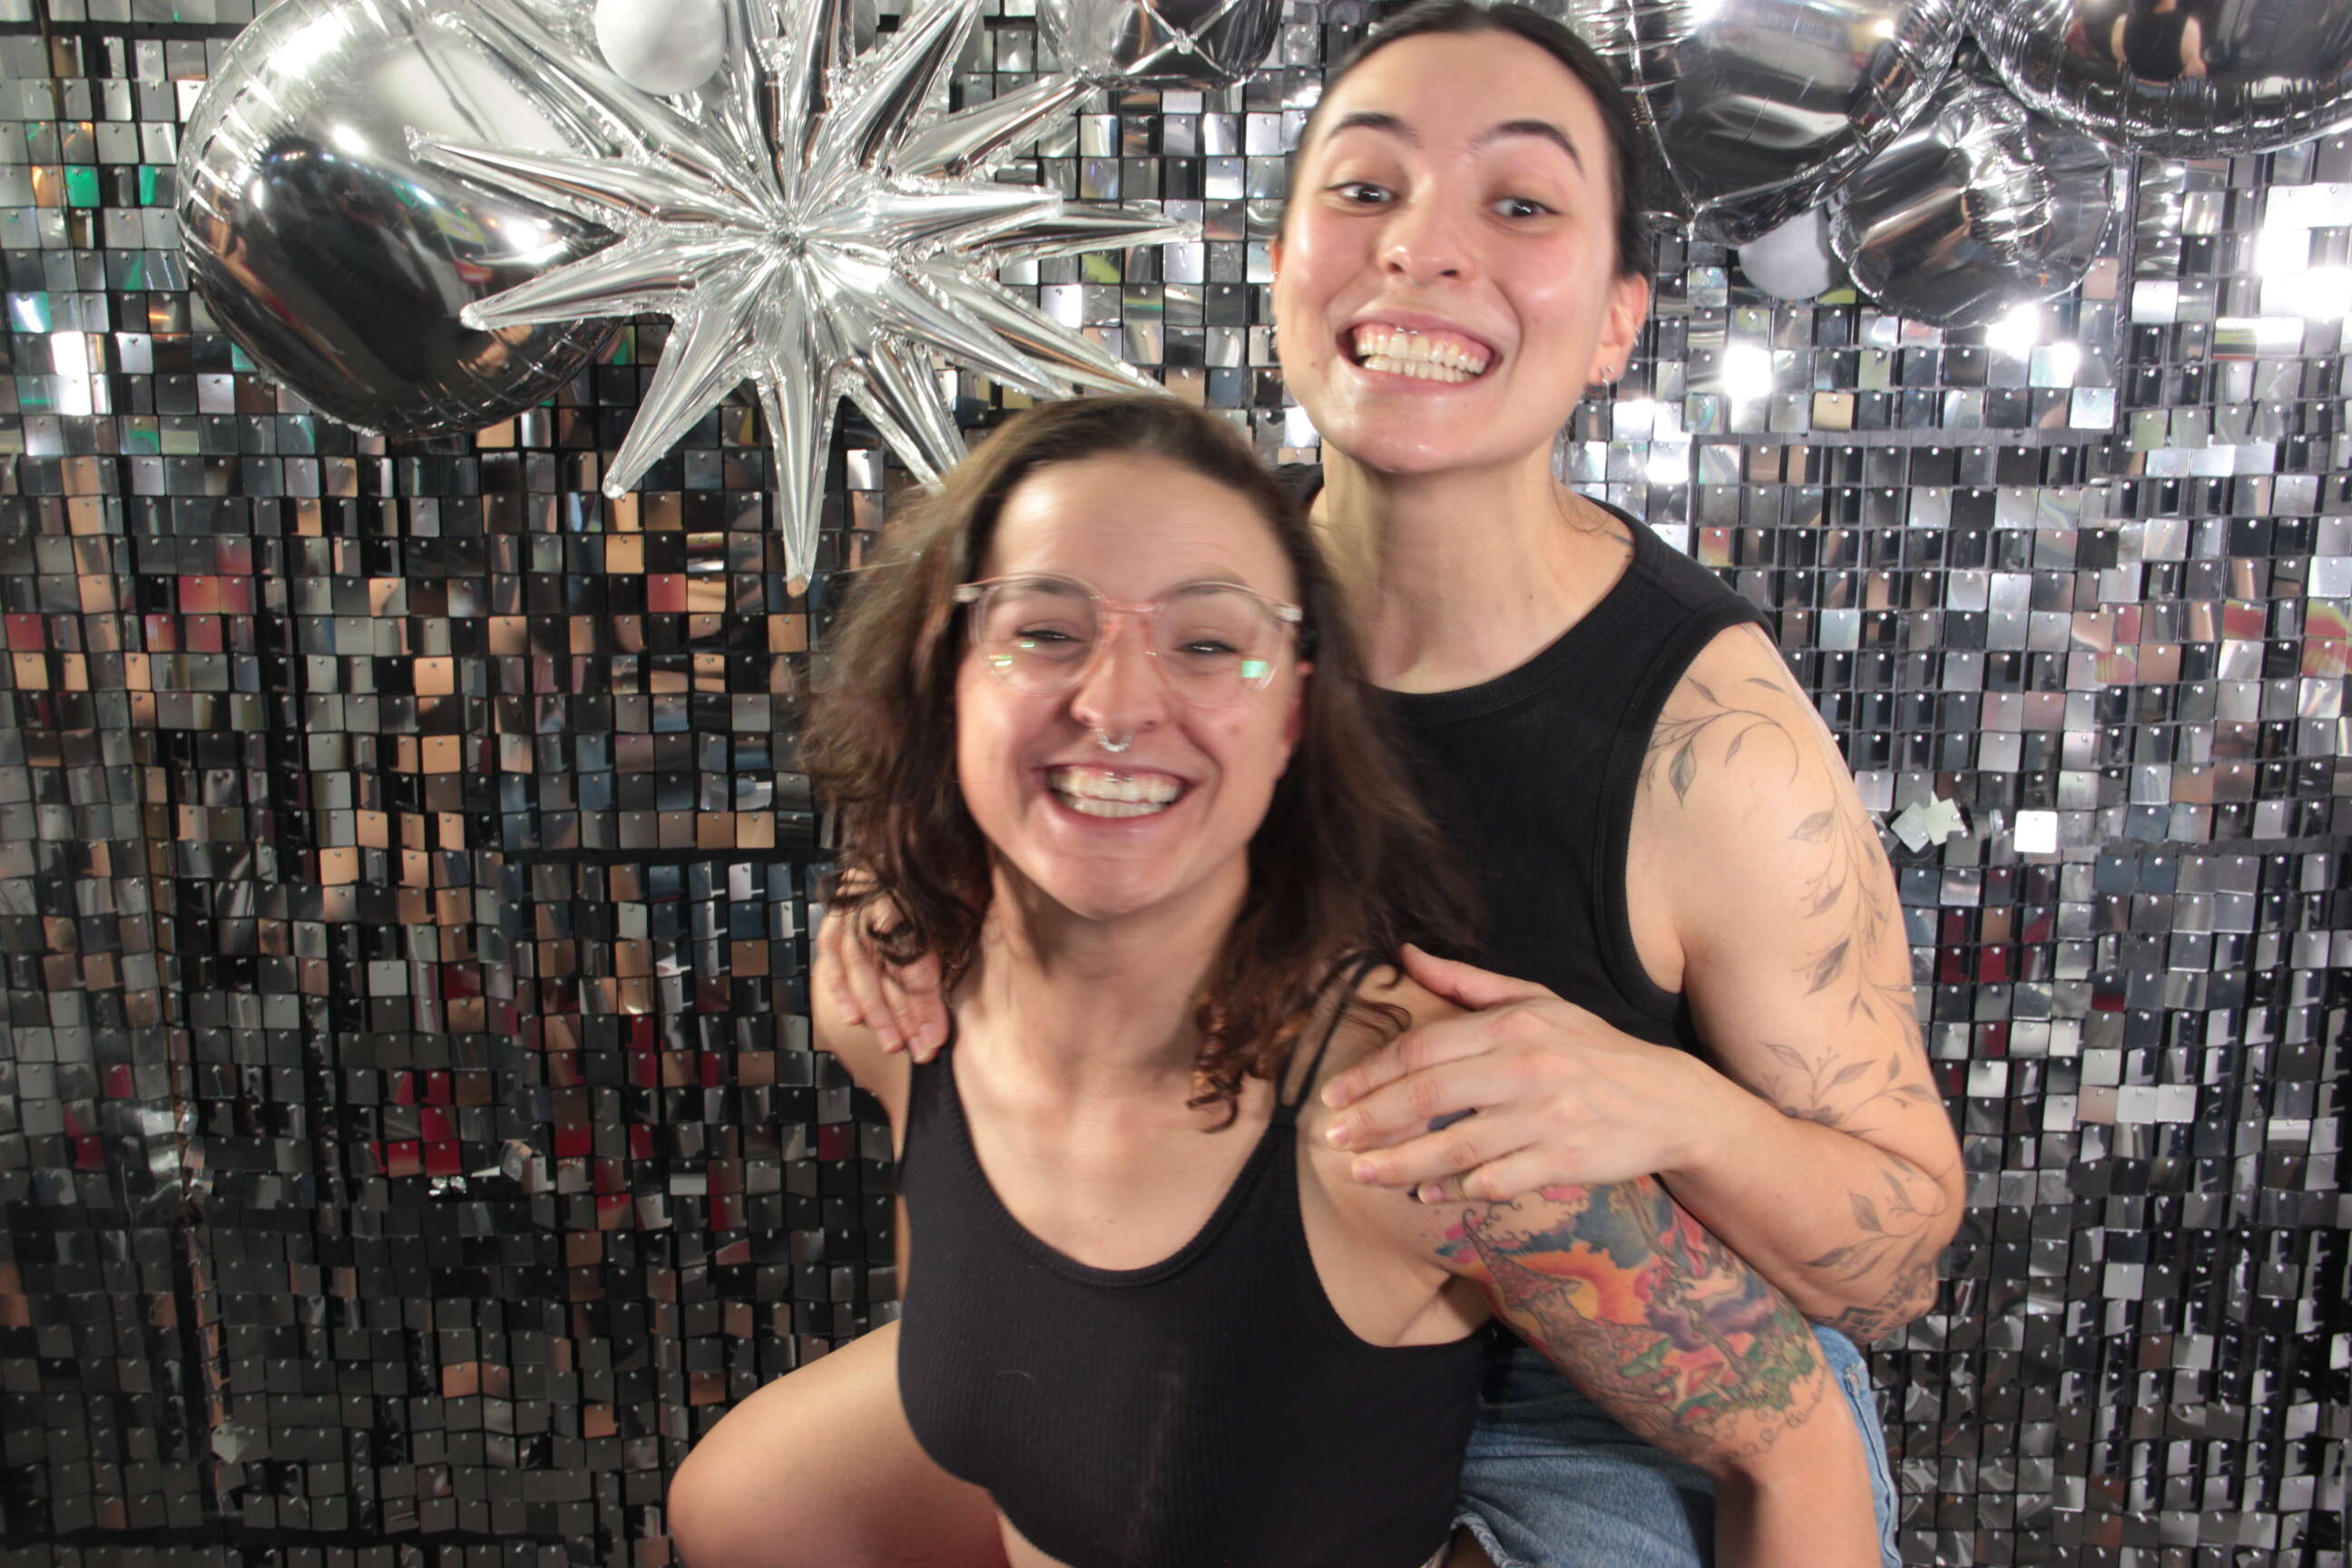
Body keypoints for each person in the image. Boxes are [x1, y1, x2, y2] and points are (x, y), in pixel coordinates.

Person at [814, 5, 1966, 1564]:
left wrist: (1662, 1104)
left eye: (1520, 203)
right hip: (1273, 1297)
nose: (1422, 248)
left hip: (1606, 1388)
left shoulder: (1716, 745)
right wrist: (917, 891)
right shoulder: (1194, 593)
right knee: (756, 1508)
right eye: (1365, 189)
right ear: (1284, 265)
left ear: (1616, 322)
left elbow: (1894, 1267)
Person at [665, 393, 1879, 1567]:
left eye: (1206, 644)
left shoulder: (1412, 1124)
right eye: (1045, 630)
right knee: (742, 1505)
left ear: (1294, 713)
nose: (1116, 705)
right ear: (947, 671)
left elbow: (1798, 1450)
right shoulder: (894, 1002)